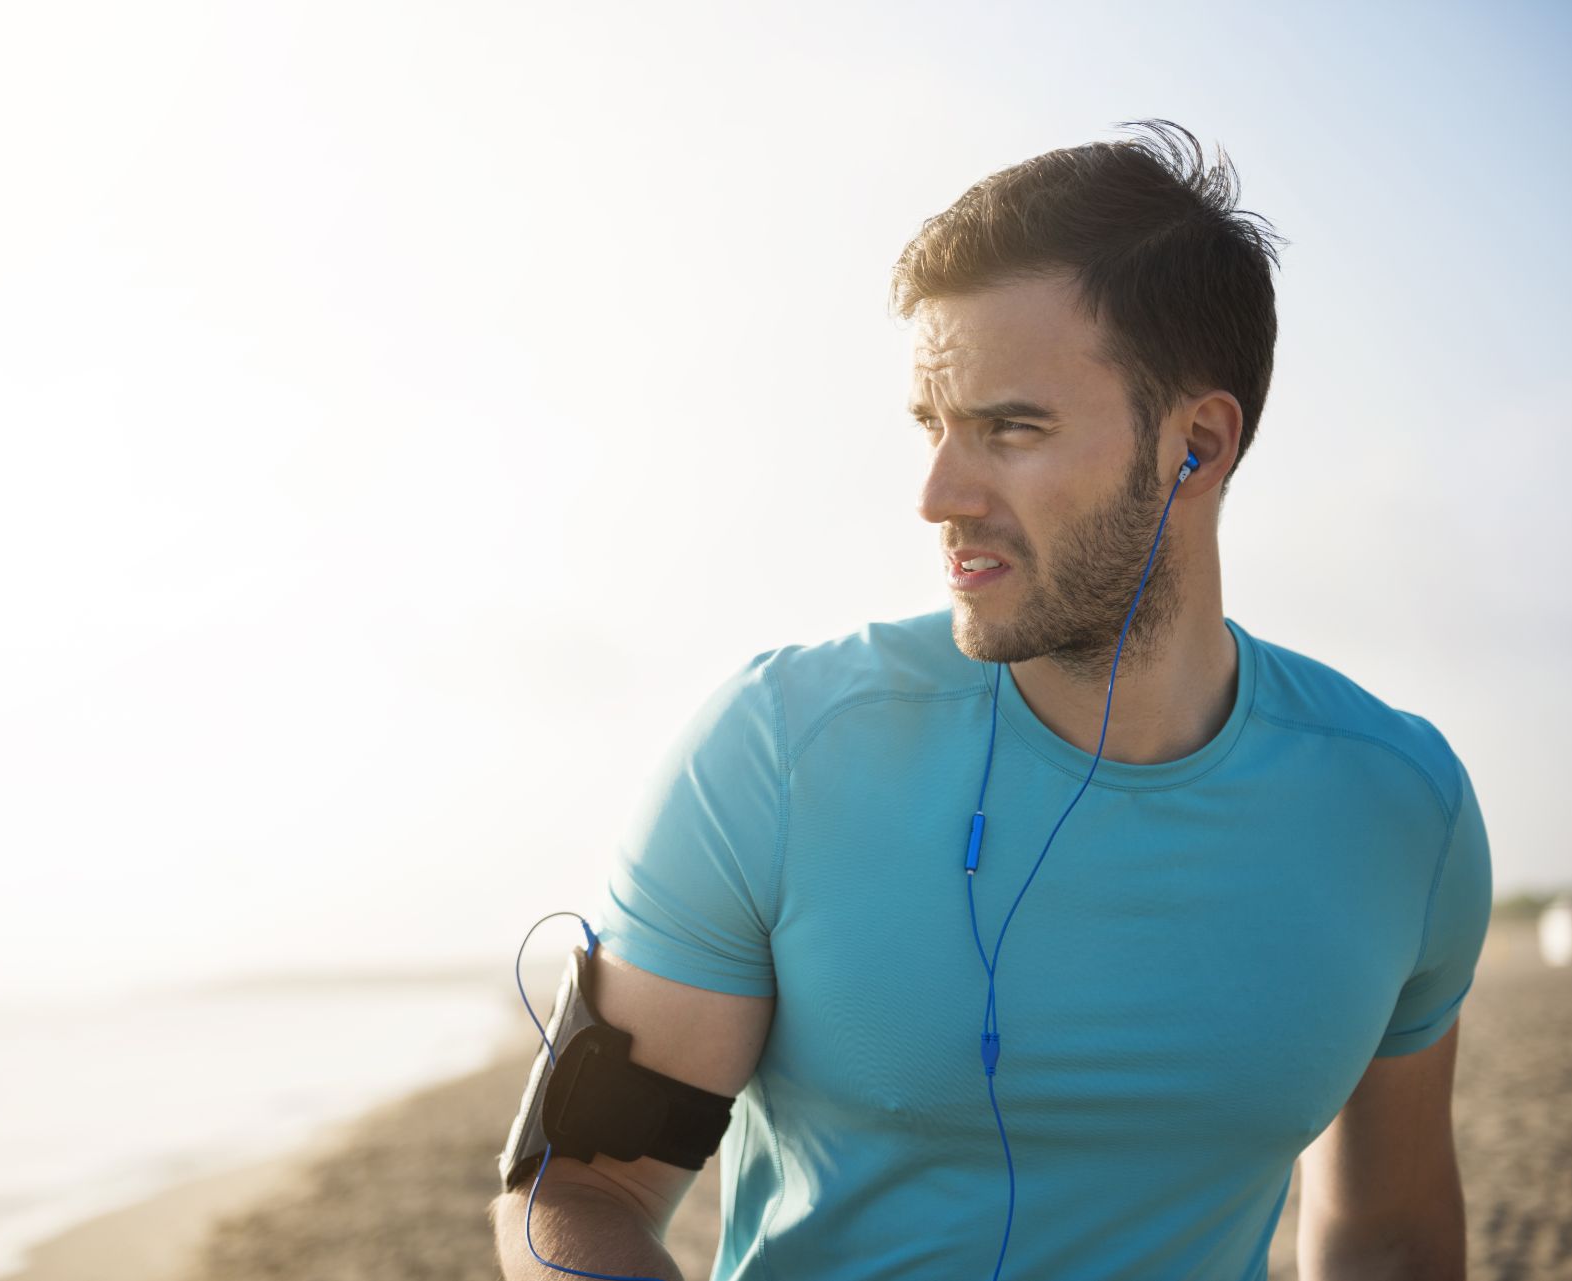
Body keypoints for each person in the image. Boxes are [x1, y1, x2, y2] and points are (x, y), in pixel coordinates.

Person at [490, 119, 1492, 1280]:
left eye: (1011, 429)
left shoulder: (1403, 809)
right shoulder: (780, 748)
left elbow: (1390, 1229)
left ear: (1198, 448)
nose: (937, 494)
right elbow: (578, 1187)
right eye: (933, 426)